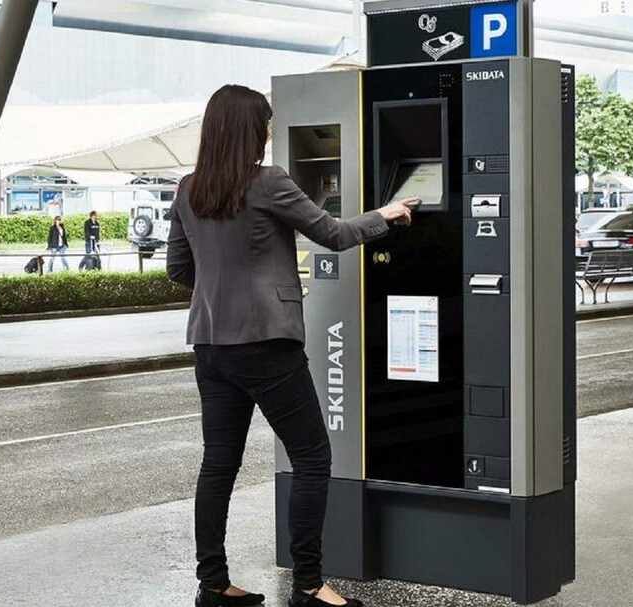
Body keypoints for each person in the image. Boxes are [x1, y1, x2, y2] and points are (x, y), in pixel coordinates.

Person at [166, 84, 415, 607]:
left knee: (219, 463)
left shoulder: (188, 189)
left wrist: (224, 291)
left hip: (211, 345)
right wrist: (386, 215)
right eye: (266, 122)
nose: (271, 129)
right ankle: (309, 585)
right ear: (249, 130)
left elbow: (178, 270)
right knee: (311, 457)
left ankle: (213, 583)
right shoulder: (267, 182)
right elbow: (335, 234)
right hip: (266, 344)